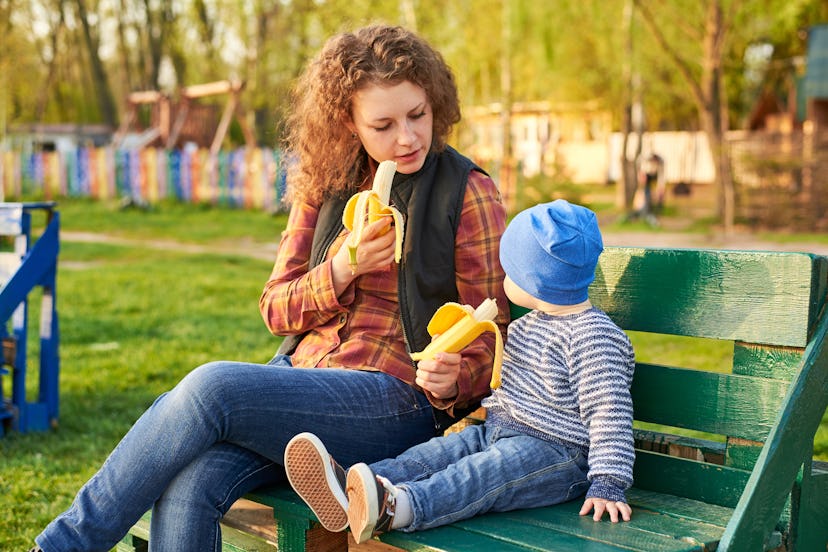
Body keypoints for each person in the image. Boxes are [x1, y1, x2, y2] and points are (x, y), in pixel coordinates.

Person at [31, 24, 508, 552]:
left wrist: (453, 379)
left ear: (434, 101)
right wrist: (341, 269)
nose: (407, 137)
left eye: (418, 115)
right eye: (384, 124)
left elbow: (491, 329)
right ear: (349, 124)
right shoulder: (325, 183)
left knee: (213, 389)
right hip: (296, 382)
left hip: (394, 400)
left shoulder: (468, 192)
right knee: (190, 485)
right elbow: (276, 308)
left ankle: (63, 545)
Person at [283, 199, 636, 544]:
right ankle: (355, 486)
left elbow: (609, 412)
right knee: (435, 454)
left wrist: (608, 480)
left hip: (558, 454)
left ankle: (397, 508)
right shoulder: (531, 325)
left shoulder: (593, 337)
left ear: (535, 282)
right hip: (499, 430)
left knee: (478, 475)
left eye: (510, 271)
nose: (504, 280)